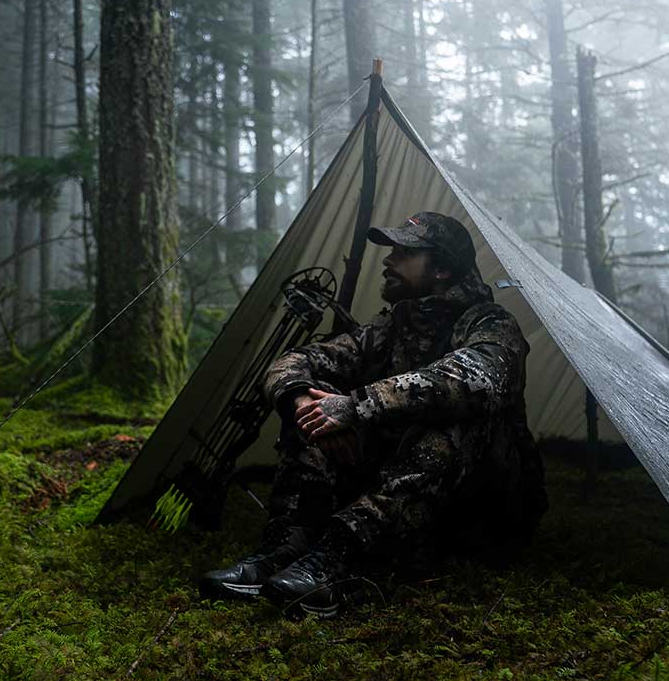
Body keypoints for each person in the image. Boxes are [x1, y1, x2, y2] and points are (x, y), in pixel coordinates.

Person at [200, 211, 547, 616]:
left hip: (488, 511)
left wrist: (355, 406)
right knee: (314, 397)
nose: (388, 260)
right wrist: (303, 401)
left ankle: (342, 558)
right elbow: (293, 362)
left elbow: (473, 380)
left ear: (442, 270)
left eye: (403, 253)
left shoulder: (490, 323)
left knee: (454, 412)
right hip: (417, 510)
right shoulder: (389, 328)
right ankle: (289, 545)